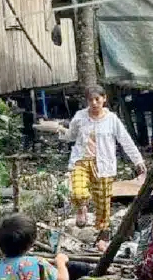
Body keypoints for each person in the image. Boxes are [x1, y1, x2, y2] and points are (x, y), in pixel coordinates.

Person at [58, 85, 146, 246]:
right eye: (90, 100)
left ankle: (103, 232)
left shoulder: (112, 119)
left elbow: (125, 140)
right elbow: (71, 136)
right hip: (81, 160)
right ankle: (81, 208)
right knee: (78, 192)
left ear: (104, 99)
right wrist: (60, 131)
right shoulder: (80, 117)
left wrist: (138, 161)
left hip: (104, 164)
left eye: (97, 99)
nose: (94, 103)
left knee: (103, 201)